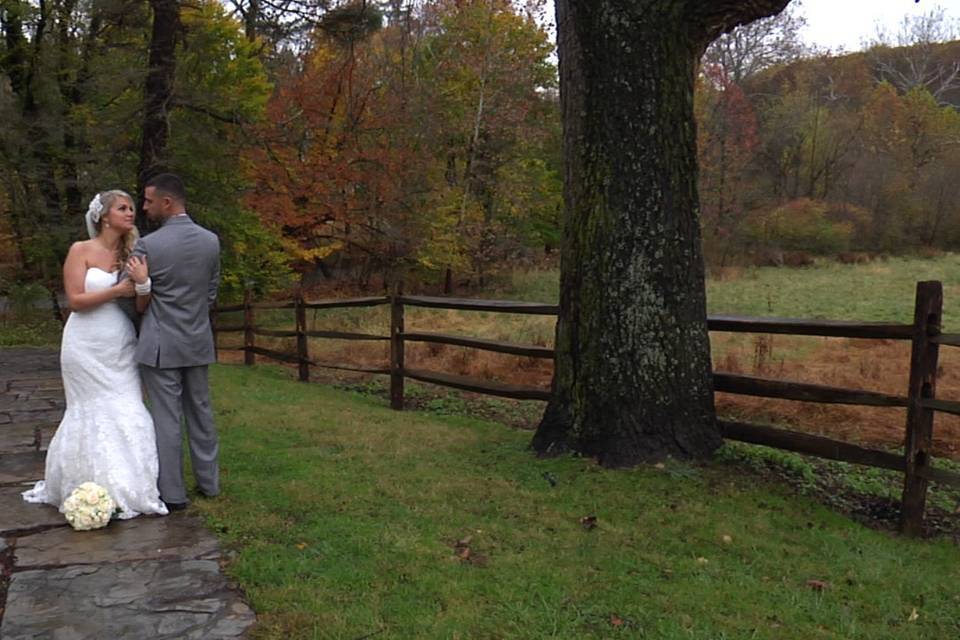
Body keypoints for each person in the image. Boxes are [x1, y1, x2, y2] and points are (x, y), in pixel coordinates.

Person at [22, 191, 168, 518]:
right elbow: (74, 300)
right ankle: (85, 486)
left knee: (127, 406)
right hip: (84, 342)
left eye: (132, 208)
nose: (130, 213)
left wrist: (143, 286)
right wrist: (117, 290)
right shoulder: (81, 250)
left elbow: (141, 305)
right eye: (123, 208)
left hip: (119, 341)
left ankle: (130, 486)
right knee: (88, 411)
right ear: (104, 215)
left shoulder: (133, 251)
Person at [131, 173, 221, 511]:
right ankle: (210, 484)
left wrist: (146, 294)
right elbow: (211, 293)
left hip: (159, 344)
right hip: (197, 339)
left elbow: (136, 300)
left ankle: (173, 493)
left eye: (149, 201)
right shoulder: (211, 241)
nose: (145, 207)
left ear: (166, 203)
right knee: (201, 412)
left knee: (166, 419)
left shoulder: (148, 246)